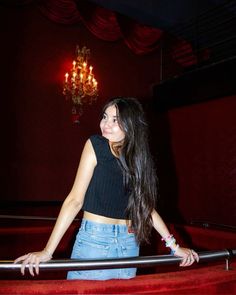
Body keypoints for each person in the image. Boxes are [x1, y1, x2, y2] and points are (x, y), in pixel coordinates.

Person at [14, 96, 199, 280]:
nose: (105, 124)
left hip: (129, 243)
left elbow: (146, 208)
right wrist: (47, 251)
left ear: (131, 125)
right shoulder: (96, 145)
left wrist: (175, 247)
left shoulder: (138, 159)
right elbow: (74, 200)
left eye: (115, 120)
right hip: (95, 240)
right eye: (104, 117)